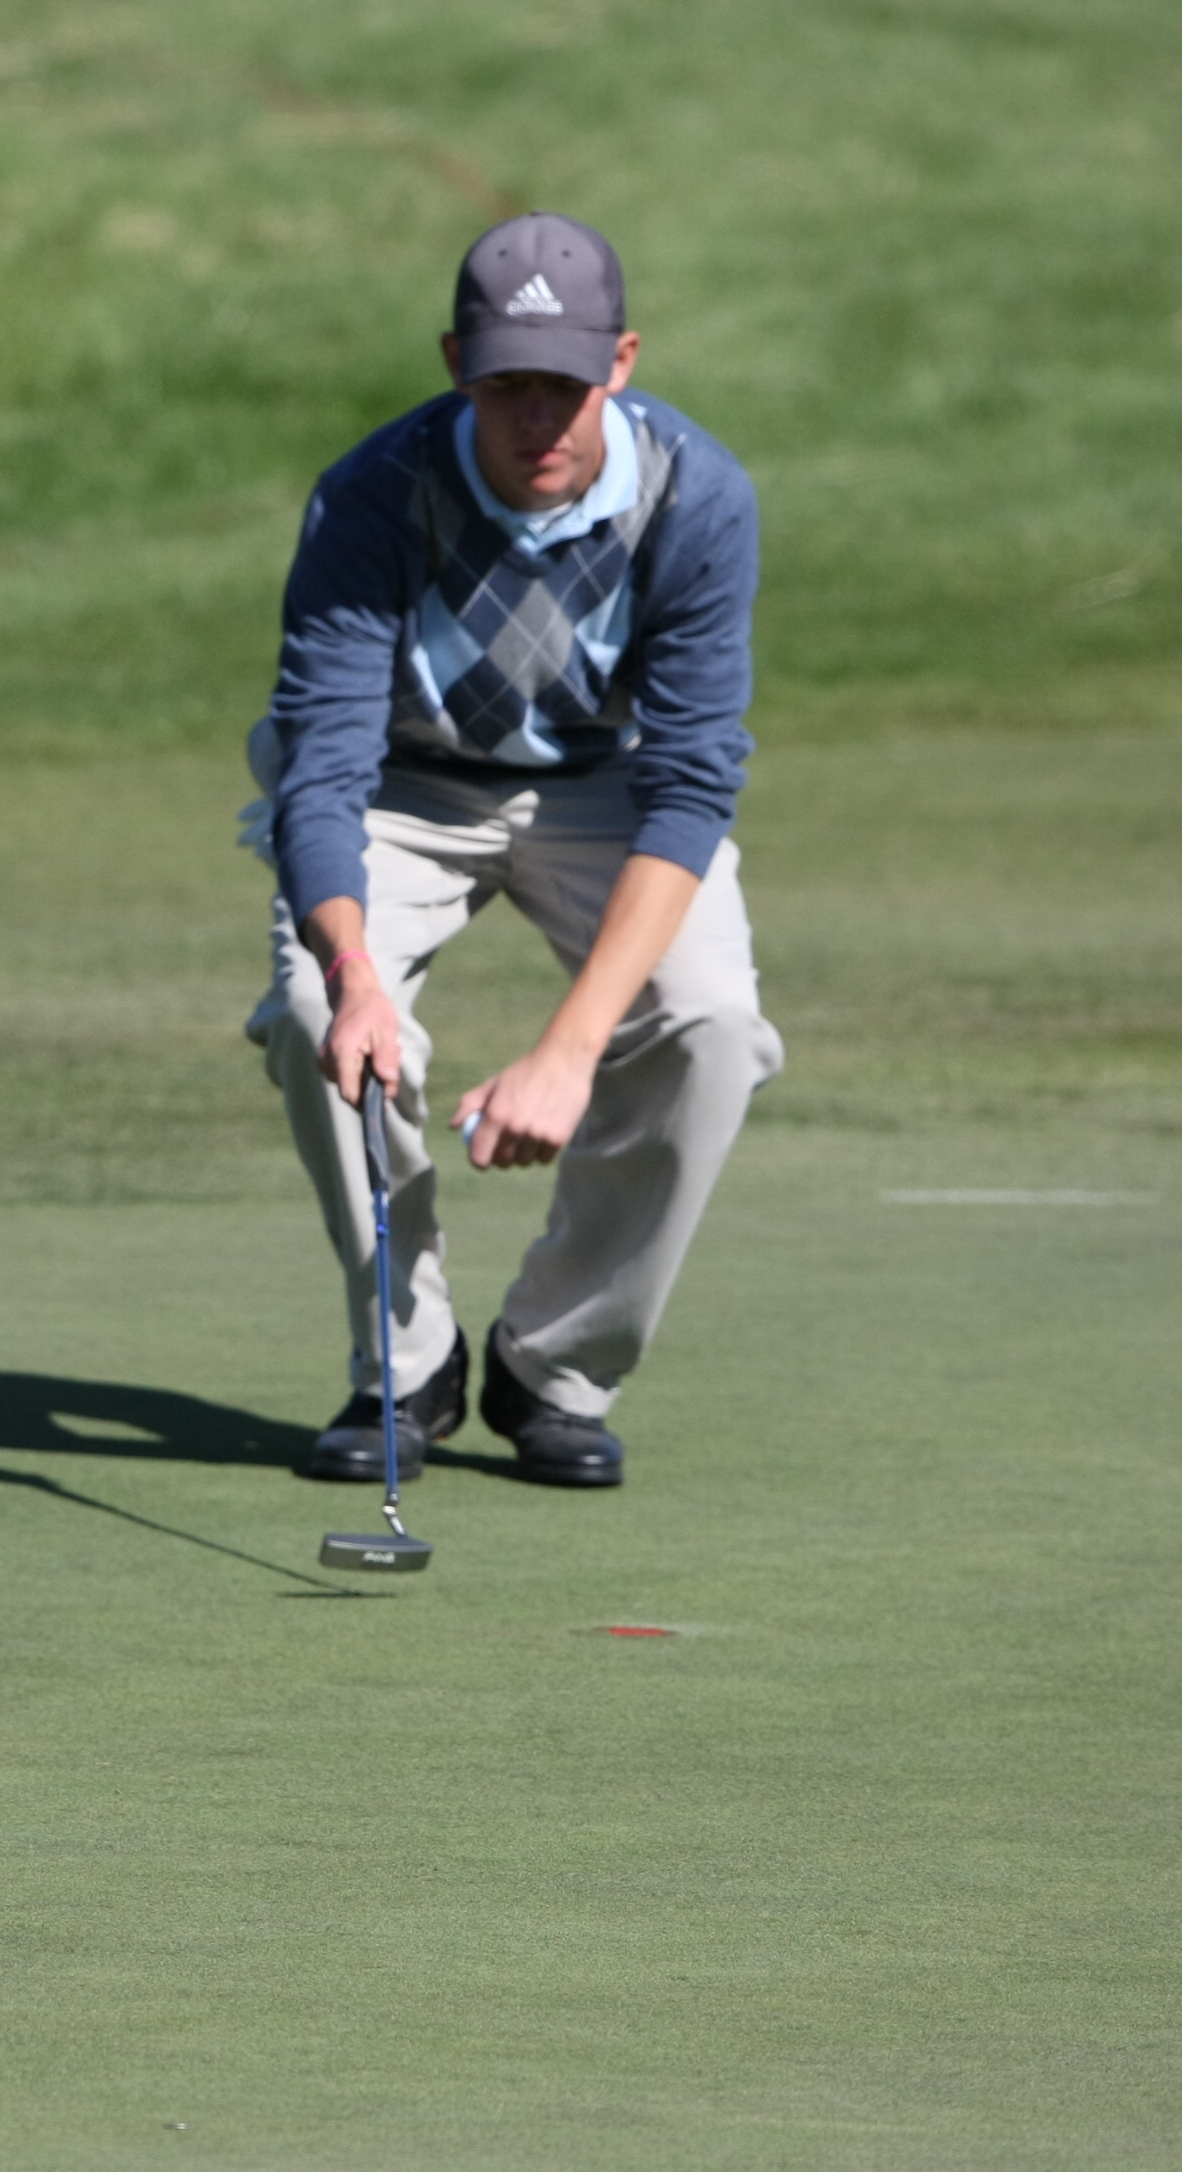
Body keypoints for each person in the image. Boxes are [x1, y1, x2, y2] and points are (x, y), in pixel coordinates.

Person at [246, 213, 783, 1490]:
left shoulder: (697, 497)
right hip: (398, 785)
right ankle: (409, 1365)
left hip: (607, 789)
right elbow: (319, 770)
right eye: (506, 383)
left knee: (711, 1028)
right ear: (456, 365)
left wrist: (569, 1048)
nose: (536, 415)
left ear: (623, 360)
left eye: (565, 380)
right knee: (320, 1009)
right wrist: (356, 973)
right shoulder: (374, 492)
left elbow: (696, 778)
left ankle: (557, 1367)